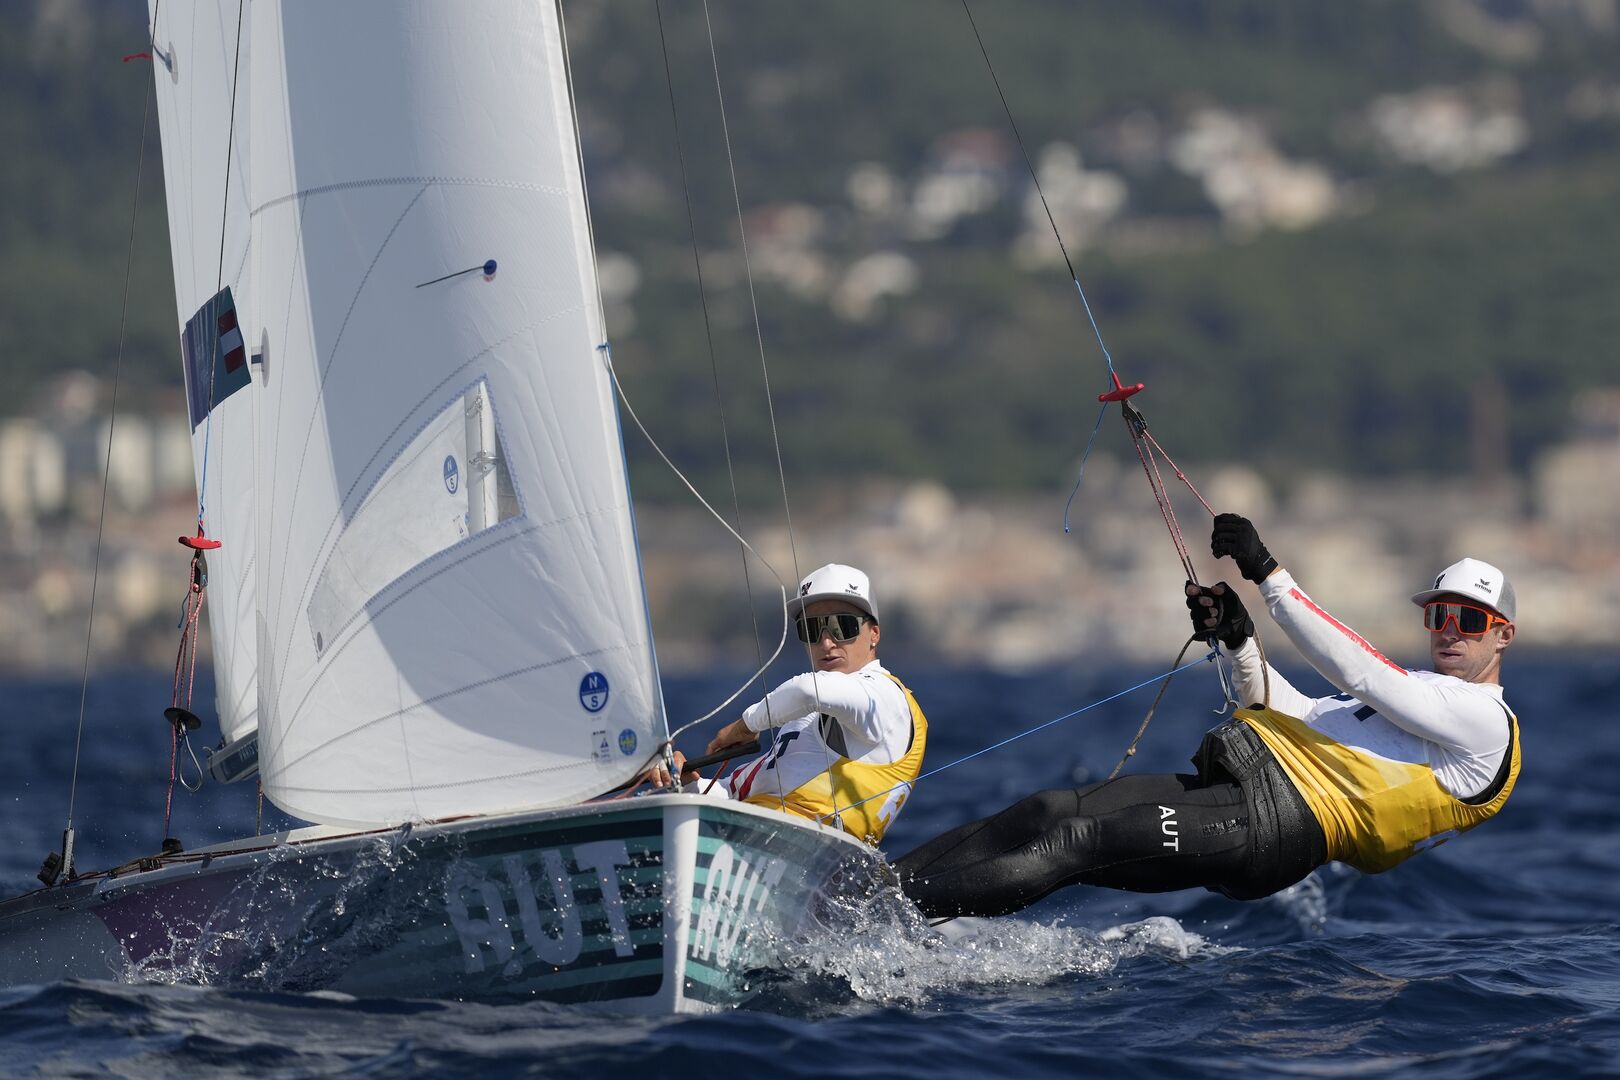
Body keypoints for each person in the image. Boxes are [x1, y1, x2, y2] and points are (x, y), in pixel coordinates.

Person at [896, 514, 1519, 918]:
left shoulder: (1485, 723)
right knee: (1051, 809)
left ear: (1503, 637)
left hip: (1275, 827)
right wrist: (1241, 641)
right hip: (1246, 788)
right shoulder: (1420, 697)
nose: (1448, 631)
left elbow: (1362, 672)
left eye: (1467, 619)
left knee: (1073, 843)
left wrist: (1269, 575)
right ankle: (877, 886)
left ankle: (886, 917)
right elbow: (1287, 711)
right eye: (1438, 615)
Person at [648, 563, 927, 846]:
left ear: (874, 634)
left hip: (813, 851)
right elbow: (729, 795)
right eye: (812, 628)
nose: (826, 642)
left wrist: (746, 726)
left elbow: (807, 690)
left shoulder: (885, 696)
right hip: (747, 841)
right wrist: (684, 782)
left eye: (842, 626)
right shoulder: (804, 722)